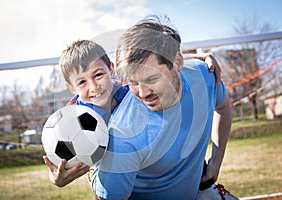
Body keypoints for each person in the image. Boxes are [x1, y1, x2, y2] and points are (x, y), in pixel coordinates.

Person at [43, 38, 224, 190]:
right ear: (71, 88)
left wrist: (198, 57)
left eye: (98, 75)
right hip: (109, 172)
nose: (93, 86)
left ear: (111, 69)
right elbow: (60, 164)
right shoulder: (72, 117)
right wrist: (56, 180)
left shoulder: (126, 87)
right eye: (82, 82)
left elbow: (155, 64)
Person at [89, 16, 233, 199]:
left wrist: (216, 162)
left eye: (151, 79)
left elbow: (223, 106)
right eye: (133, 82)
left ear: (178, 63)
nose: (142, 92)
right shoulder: (123, 136)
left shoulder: (204, 75)